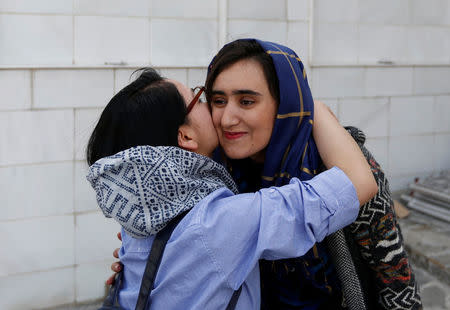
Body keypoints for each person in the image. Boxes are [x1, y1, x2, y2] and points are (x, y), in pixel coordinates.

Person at [87, 68, 377, 309]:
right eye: (199, 99)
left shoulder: (138, 217)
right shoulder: (221, 222)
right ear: (185, 135)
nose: (218, 110)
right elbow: (357, 184)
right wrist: (311, 107)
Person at [204, 39, 421, 309]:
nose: (226, 119)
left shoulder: (342, 165)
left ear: (286, 103)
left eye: (246, 101)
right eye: (218, 101)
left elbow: (393, 272)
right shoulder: (214, 173)